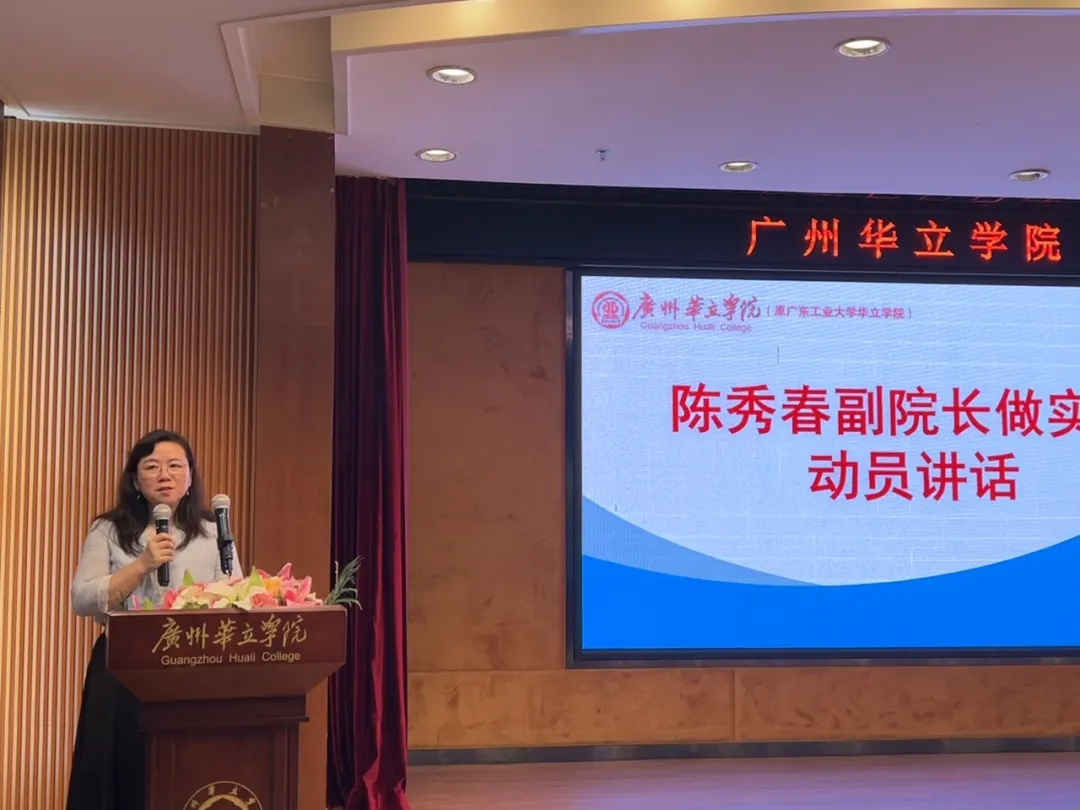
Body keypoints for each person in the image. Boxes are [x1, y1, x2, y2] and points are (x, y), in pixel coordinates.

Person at [65, 429, 238, 810]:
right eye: (152, 467)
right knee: (124, 774)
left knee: (186, 774)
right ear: (134, 479)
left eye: (175, 466)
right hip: (123, 671)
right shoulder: (109, 530)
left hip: (194, 669)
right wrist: (142, 564)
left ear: (190, 477)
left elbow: (234, 597)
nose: (164, 475)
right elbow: (82, 599)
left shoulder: (213, 533)